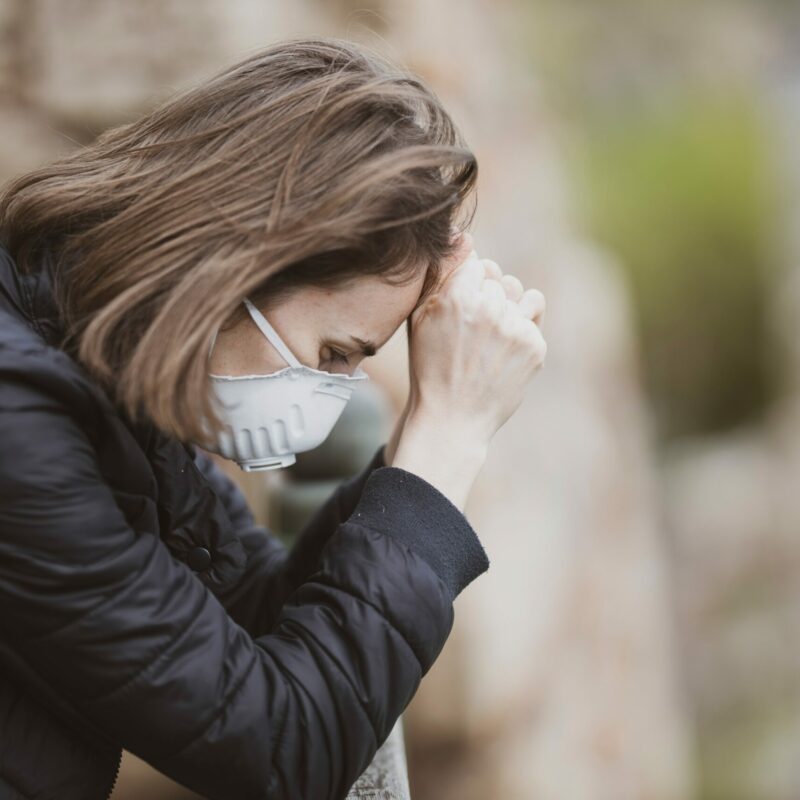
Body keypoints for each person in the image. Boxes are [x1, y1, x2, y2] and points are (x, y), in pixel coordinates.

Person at [0, 37, 546, 800]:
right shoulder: (19, 421)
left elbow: (260, 624)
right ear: (241, 259)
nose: (331, 396)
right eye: (332, 353)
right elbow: (280, 751)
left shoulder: (100, 386)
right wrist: (447, 441)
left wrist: (411, 453)